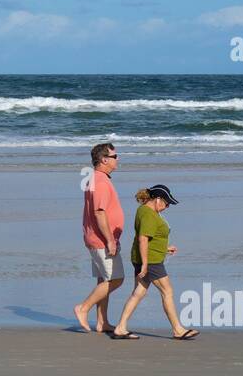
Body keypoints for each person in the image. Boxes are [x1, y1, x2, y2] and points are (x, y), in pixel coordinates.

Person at [111, 184, 199, 340]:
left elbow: (151, 238)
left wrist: (165, 248)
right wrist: (145, 264)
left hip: (147, 258)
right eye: (167, 203)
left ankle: (120, 327)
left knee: (138, 293)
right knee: (167, 291)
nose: (167, 207)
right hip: (150, 261)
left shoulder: (146, 211)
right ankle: (178, 329)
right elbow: (143, 239)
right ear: (158, 199)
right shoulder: (148, 214)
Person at [73, 143, 125, 333]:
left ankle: (102, 321)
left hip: (95, 238)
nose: (118, 159)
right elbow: (99, 213)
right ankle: (83, 308)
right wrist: (110, 240)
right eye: (115, 156)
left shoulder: (95, 179)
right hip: (102, 240)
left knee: (104, 279)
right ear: (104, 160)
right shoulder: (101, 181)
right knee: (117, 279)